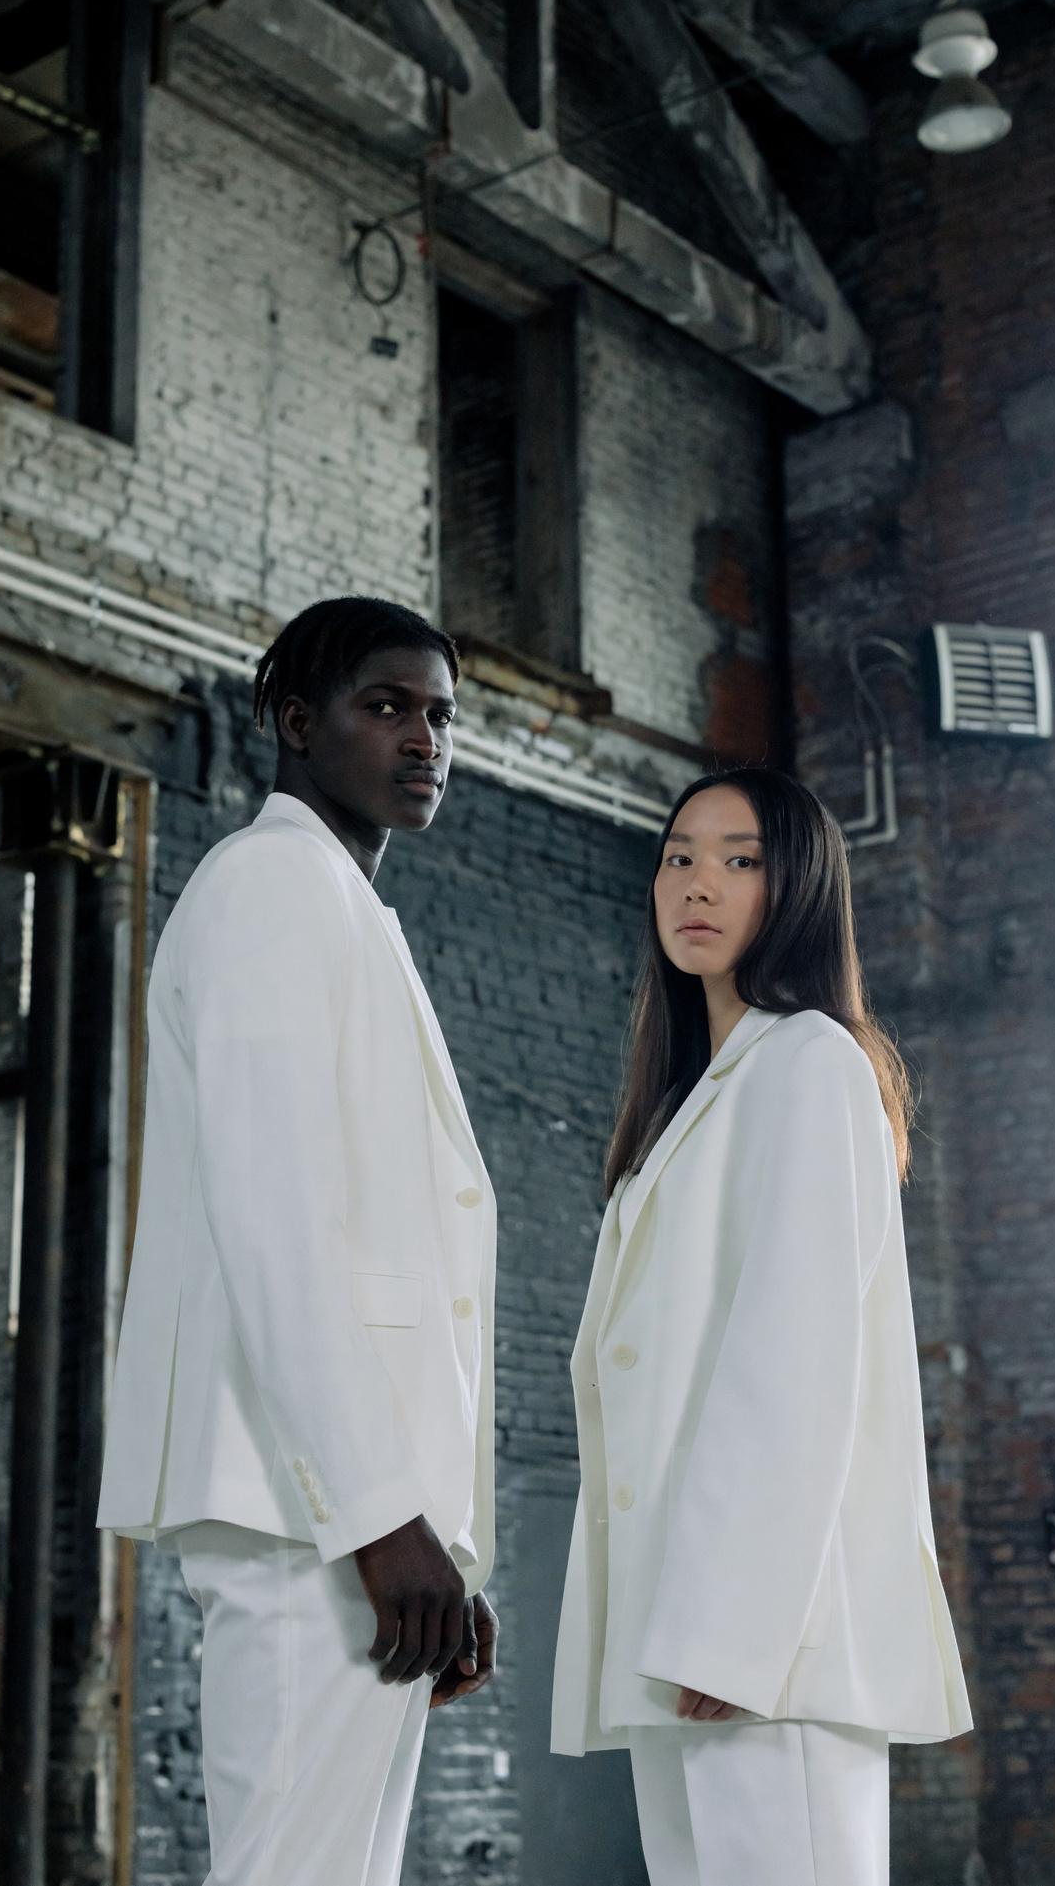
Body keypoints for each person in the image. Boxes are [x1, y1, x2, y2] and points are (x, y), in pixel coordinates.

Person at [97, 596, 498, 1886]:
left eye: (440, 715)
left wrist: (432, 1534)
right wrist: (383, 1518)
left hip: (343, 1507)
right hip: (306, 1507)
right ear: (293, 721)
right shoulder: (269, 887)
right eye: (385, 706)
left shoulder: (342, 905)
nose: (423, 739)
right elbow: (278, 1220)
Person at [551, 766, 971, 1885]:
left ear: (798, 889)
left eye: (740, 860)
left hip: (759, 1638)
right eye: (679, 856)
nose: (698, 884)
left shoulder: (809, 1064)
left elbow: (795, 1362)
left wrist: (730, 1625)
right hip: (682, 1625)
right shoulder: (693, 1097)